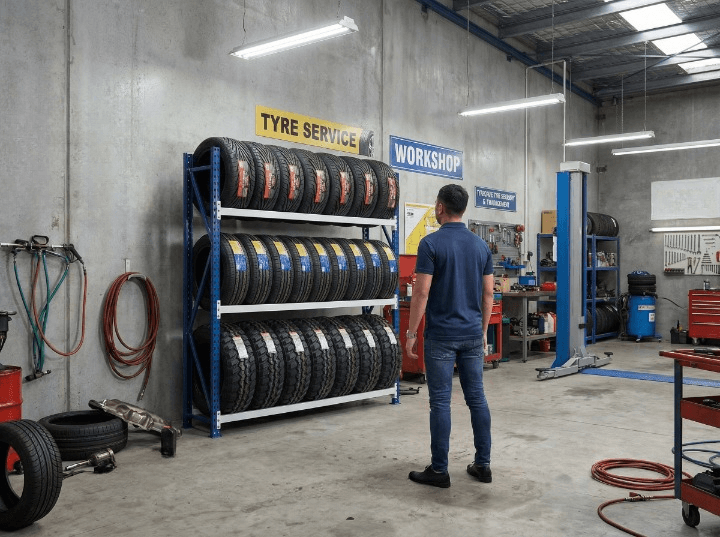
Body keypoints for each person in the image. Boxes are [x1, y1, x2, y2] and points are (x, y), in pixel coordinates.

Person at [406, 184, 494, 488]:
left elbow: (421, 292)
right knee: (477, 399)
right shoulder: (481, 246)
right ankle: (483, 465)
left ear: (440, 207)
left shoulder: (430, 244)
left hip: (441, 336)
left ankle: (440, 470)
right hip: (471, 334)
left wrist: (411, 333)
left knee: (440, 403)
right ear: (464, 209)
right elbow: (488, 294)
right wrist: (483, 332)